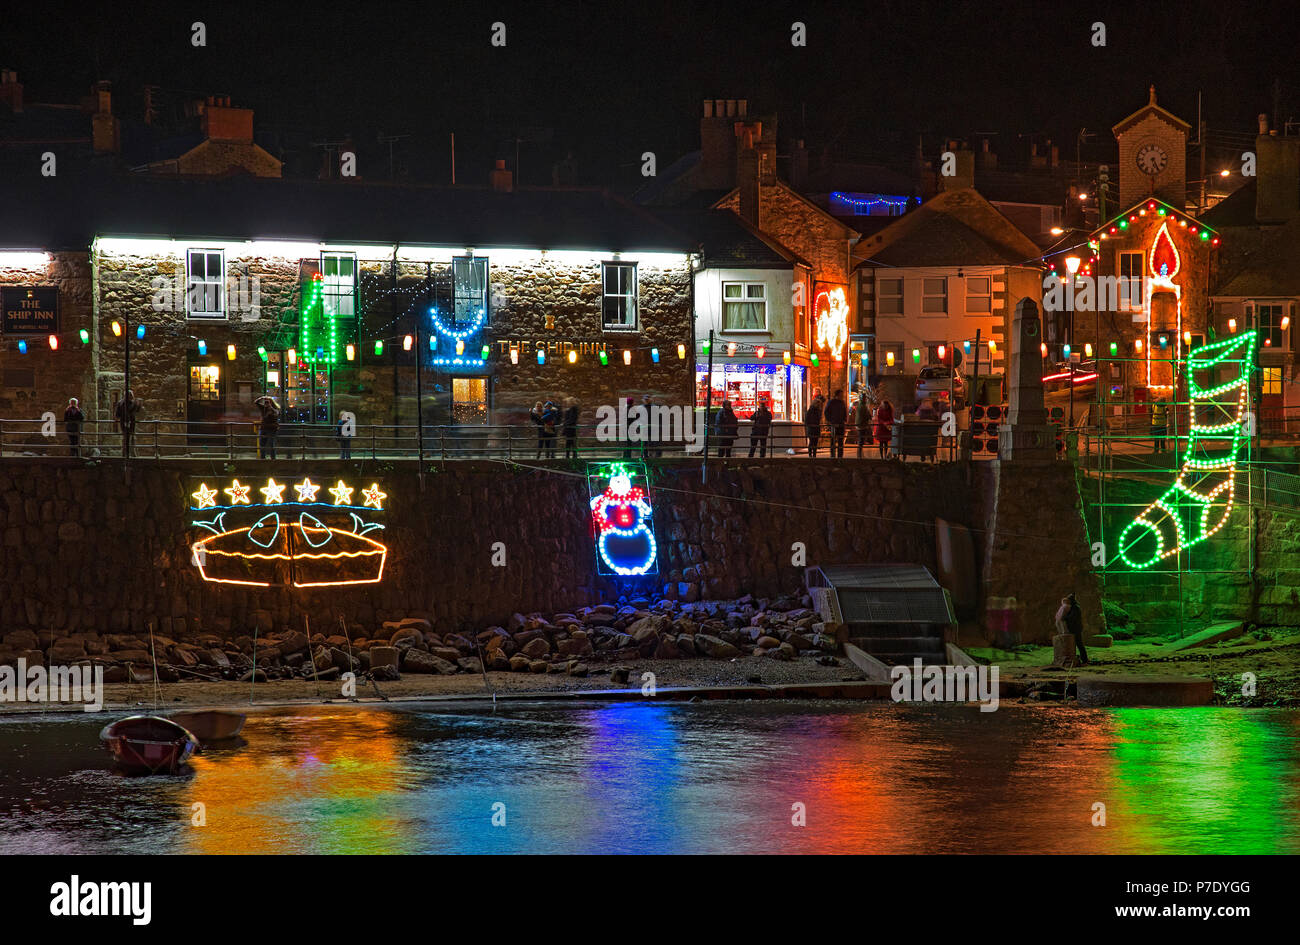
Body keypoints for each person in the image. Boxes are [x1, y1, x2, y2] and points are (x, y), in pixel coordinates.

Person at [1054, 593, 1088, 666]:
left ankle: (1085, 660)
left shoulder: (1075, 608)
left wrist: (1065, 618)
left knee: (1079, 644)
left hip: (1076, 629)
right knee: (1076, 644)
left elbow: (1072, 617)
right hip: (1074, 628)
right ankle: (1082, 659)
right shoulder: (1073, 607)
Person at [114, 390, 141, 458]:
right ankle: (129, 453)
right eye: (131, 395)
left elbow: (117, 415)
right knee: (129, 437)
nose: (132, 396)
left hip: (128, 422)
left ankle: (127, 453)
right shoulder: (132, 403)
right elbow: (138, 411)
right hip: (129, 422)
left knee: (129, 437)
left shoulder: (122, 403)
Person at [254, 395, 280, 460]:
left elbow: (276, 415)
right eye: (265, 402)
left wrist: (270, 407)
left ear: (271, 403)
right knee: (262, 444)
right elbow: (256, 402)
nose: (266, 403)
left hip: (271, 428)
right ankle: (262, 458)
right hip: (263, 428)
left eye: (268, 402)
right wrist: (261, 398)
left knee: (272, 444)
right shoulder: (263, 409)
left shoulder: (275, 409)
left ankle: (273, 458)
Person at [824, 389, 848, 458]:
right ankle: (833, 455)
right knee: (833, 441)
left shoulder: (842, 402)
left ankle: (840, 456)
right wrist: (830, 420)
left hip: (841, 424)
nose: (842, 396)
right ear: (837, 395)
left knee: (840, 441)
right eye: (841, 395)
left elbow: (844, 412)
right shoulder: (831, 402)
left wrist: (844, 420)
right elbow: (826, 412)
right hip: (834, 424)